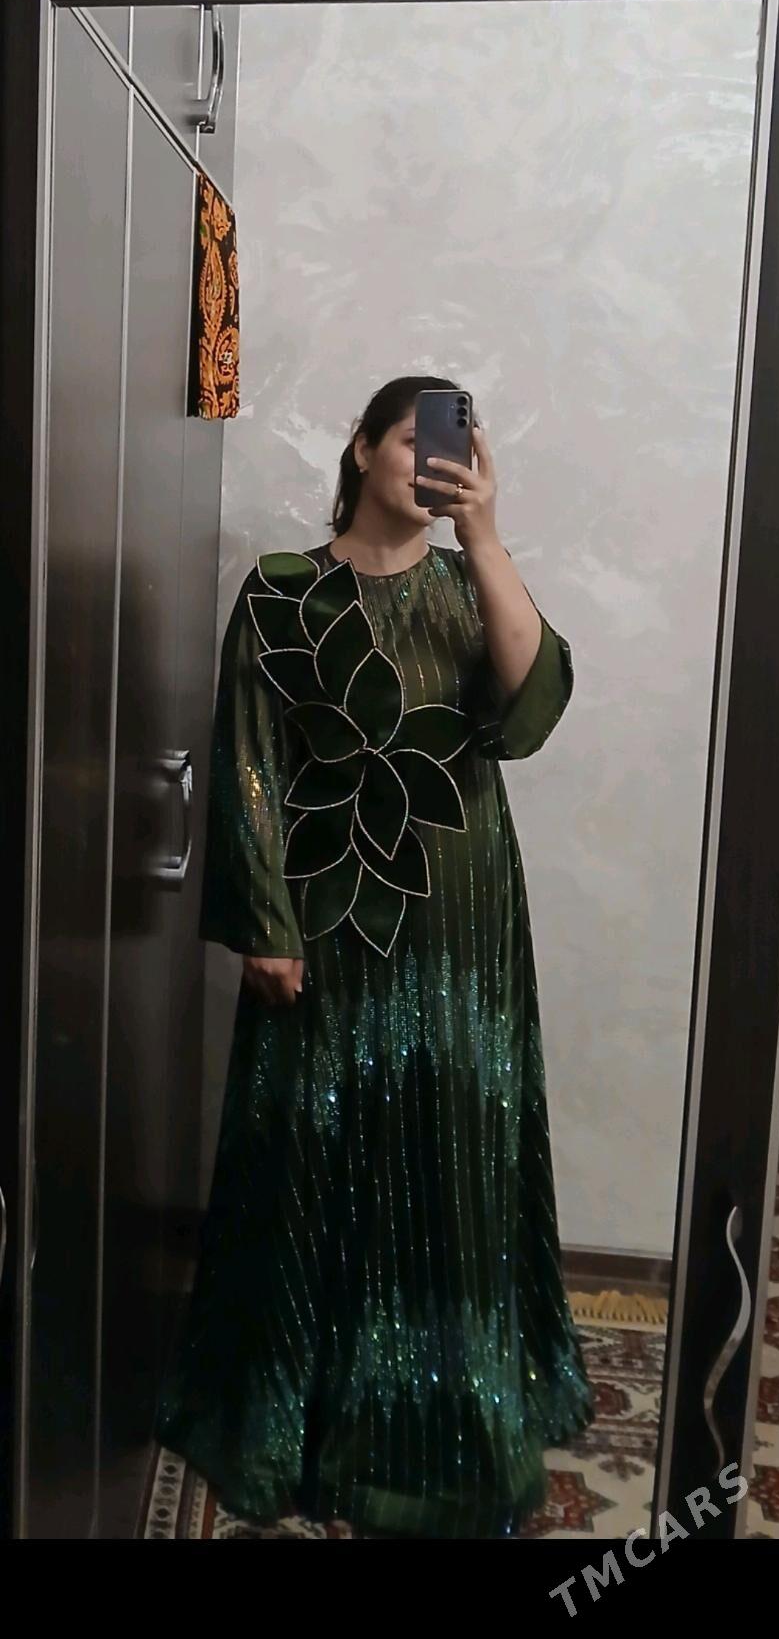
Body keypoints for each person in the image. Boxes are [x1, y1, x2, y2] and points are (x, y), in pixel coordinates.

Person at [154, 373, 594, 1538]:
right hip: (327, 918)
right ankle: (303, 1424)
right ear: (360, 449)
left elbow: (532, 711)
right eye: (411, 438)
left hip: (460, 927)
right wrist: (265, 919)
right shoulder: (283, 590)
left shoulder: (467, 584)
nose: (432, 461)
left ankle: (449, 1426)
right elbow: (247, 756)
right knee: (314, 1151)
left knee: (452, 1150)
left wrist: (484, 535)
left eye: (453, 446)